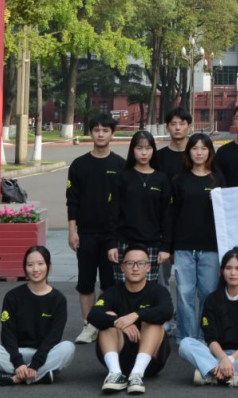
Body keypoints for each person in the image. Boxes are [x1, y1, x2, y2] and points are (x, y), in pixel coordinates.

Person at [68, 113, 128, 344]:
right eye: (96, 130)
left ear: (112, 134)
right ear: (90, 133)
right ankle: (87, 325)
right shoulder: (79, 165)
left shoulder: (120, 165)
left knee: (109, 283)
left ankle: (102, 322)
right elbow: (72, 200)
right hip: (86, 233)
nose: (100, 134)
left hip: (112, 236)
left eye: (105, 130)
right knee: (85, 281)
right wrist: (72, 231)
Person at [0, 245, 75, 385]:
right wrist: (18, 363)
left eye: (40, 264)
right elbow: (7, 334)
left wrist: (35, 364)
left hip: (44, 354)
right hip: (17, 354)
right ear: (25, 268)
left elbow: (53, 337)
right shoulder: (12, 296)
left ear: (48, 266)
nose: (35, 269)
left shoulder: (58, 299)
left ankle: (13, 378)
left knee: (67, 348)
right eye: (30, 265)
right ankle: (38, 376)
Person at [178, 247, 238, 388]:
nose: (233, 273)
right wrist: (223, 359)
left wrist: (231, 359)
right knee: (186, 343)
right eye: (228, 268)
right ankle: (235, 378)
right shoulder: (212, 300)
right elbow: (210, 337)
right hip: (216, 355)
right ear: (221, 271)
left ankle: (213, 375)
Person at [91, 244, 175, 395]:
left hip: (150, 362)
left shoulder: (158, 291)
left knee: (153, 321)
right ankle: (115, 374)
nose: (135, 268)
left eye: (140, 263)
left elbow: (167, 311)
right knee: (108, 316)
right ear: (122, 267)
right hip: (120, 358)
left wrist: (136, 315)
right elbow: (93, 315)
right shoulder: (112, 292)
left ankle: (136, 375)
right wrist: (119, 322)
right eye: (130, 263)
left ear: (148, 268)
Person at [169, 132, 225, 344]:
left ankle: (204, 336)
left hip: (211, 247)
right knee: (184, 294)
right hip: (183, 246)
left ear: (210, 152)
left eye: (203, 148)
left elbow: (225, 213)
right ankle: (186, 337)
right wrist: (170, 246)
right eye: (194, 148)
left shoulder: (218, 179)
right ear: (188, 152)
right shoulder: (179, 180)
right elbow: (172, 214)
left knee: (208, 294)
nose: (199, 153)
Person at [114, 130, 172, 284]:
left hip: (152, 243)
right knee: (123, 288)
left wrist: (165, 247)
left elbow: (167, 215)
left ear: (153, 150)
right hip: (124, 242)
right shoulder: (123, 176)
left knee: (149, 290)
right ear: (132, 150)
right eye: (139, 148)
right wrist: (111, 244)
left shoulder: (161, 178)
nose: (144, 153)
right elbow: (113, 212)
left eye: (148, 148)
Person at [152, 109, 192, 185]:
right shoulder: (157, 156)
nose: (177, 128)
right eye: (173, 124)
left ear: (189, 127)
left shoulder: (196, 156)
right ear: (167, 127)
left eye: (182, 124)